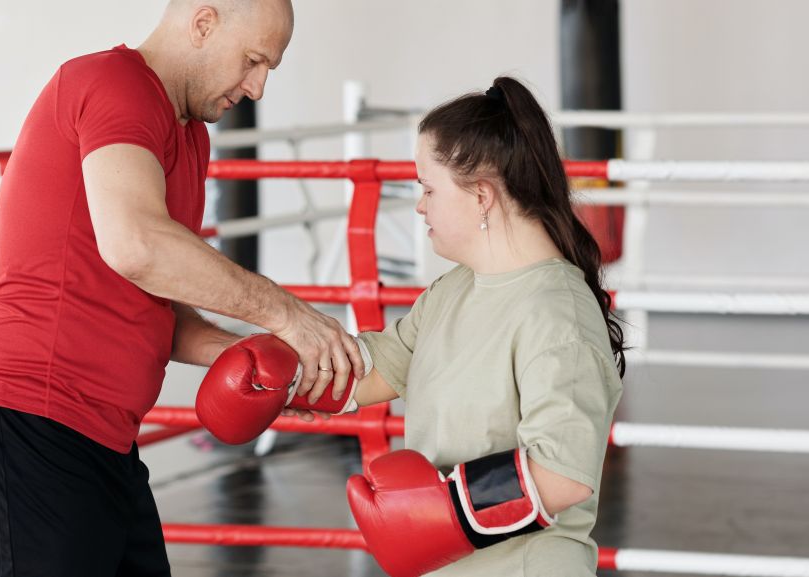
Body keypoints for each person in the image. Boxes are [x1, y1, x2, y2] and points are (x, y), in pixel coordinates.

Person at [0, 1, 367, 576]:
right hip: (27, 435)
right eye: (252, 61)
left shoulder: (190, 137)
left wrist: (260, 365)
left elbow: (151, 297)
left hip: (106, 449)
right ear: (203, 22)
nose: (258, 87)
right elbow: (136, 245)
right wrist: (288, 316)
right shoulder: (112, 83)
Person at [196, 76, 624, 576]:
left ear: (481, 195)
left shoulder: (557, 312)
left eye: (428, 188)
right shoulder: (453, 290)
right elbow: (373, 371)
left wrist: (441, 515)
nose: (420, 205)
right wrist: (283, 377)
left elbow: (563, 473)